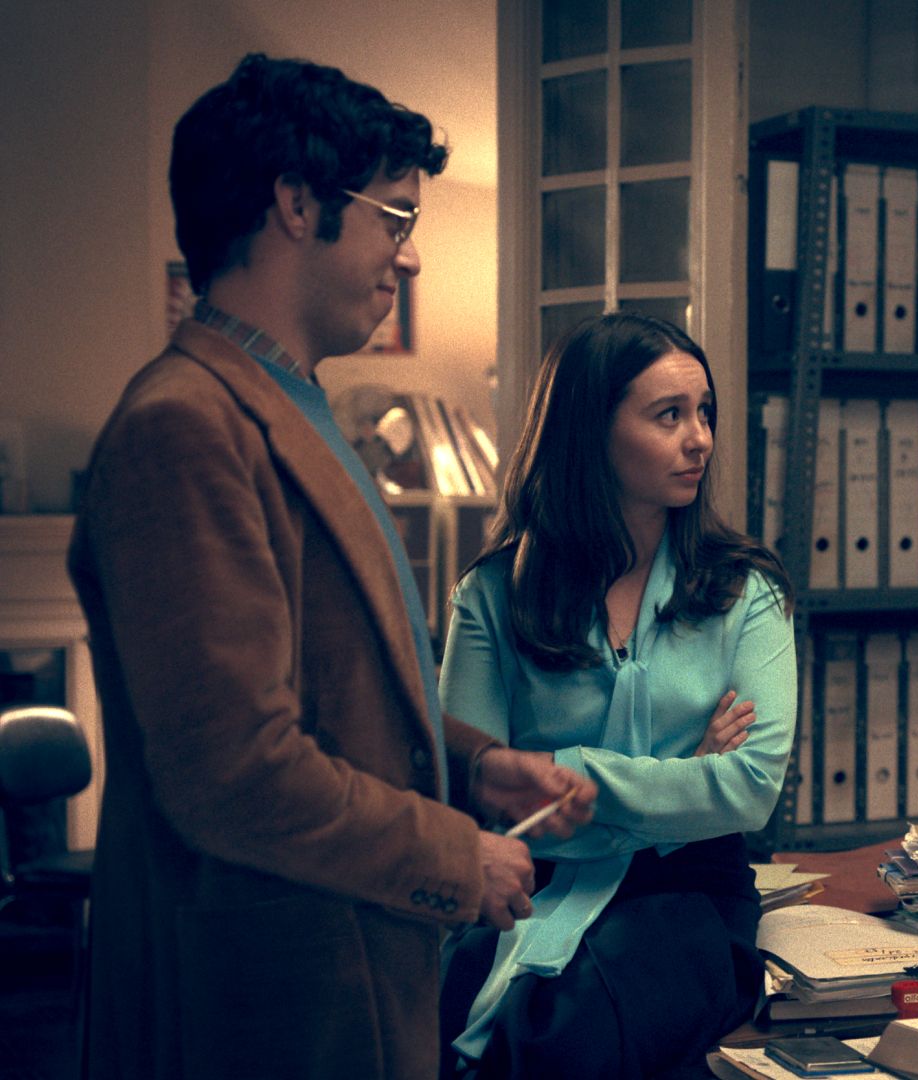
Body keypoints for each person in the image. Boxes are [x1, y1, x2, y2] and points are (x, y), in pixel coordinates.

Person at [66, 55, 595, 1080]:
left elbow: (335, 692)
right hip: (259, 998)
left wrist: (475, 769)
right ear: (298, 204)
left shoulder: (289, 399)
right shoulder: (185, 425)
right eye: (395, 218)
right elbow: (234, 770)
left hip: (336, 971)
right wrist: (455, 856)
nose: (407, 256)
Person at [437, 313, 797, 1078]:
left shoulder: (746, 592)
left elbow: (750, 790)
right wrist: (683, 776)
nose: (700, 440)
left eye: (704, 413)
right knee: (456, 1013)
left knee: (568, 1036)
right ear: (590, 431)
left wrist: (570, 772)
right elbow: (472, 788)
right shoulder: (493, 595)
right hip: (526, 888)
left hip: (689, 895)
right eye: (669, 416)